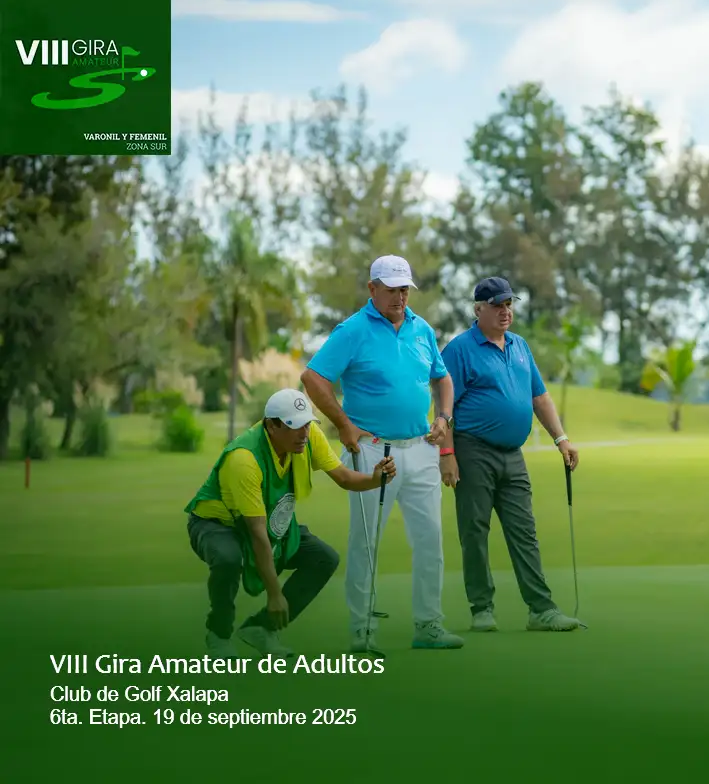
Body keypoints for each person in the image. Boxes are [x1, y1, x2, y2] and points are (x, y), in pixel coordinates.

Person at [300, 254, 463, 653]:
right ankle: (362, 630)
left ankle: (429, 624)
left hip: (422, 448)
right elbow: (313, 377)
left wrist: (444, 417)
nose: (399, 297)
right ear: (372, 288)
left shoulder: (422, 329)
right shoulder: (353, 330)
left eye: (404, 289)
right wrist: (343, 424)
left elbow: (442, 379)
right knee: (366, 542)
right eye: (391, 289)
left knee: (430, 540)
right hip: (373, 452)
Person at [185, 388, 396, 660]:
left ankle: (261, 629)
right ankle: (219, 635)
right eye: (294, 426)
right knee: (228, 559)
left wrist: (375, 479)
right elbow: (257, 534)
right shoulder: (244, 459)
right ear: (271, 426)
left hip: (268, 519)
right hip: (217, 523)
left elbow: (344, 478)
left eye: (307, 424)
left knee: (323, 558)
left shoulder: (308, 437)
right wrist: (275, 595)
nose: (303, 433)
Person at [438, 276, 583, 633]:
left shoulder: (519, 346)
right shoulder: (459, 350)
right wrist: (447, 453)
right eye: (497, 306)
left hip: (512, 454)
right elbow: (444, 406)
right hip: (472, 449)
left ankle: (541, 609)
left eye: (508, 305)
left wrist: (561, 439)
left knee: (524, 531)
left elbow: (539, 397)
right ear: (478, 309)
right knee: (474, 531)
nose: (505, 312)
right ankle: (482, 608)